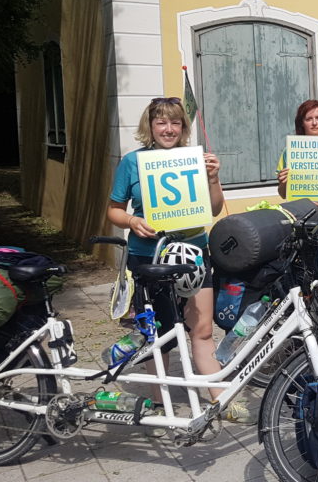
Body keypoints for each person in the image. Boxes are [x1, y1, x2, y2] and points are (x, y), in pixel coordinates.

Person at [105, 97, 252, 423]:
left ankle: (222, 399)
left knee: (201, 331)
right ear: (150, 127)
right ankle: (160, 405)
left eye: (175, 123)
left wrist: (213, 178)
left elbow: (214, 209)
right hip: (151, 258)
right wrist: (131, 222)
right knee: (157, 335)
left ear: (184, 128)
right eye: (161, 122)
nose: (168, 129)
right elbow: (113, 209)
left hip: (195, 254)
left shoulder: (195, 159)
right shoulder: (132, 162)